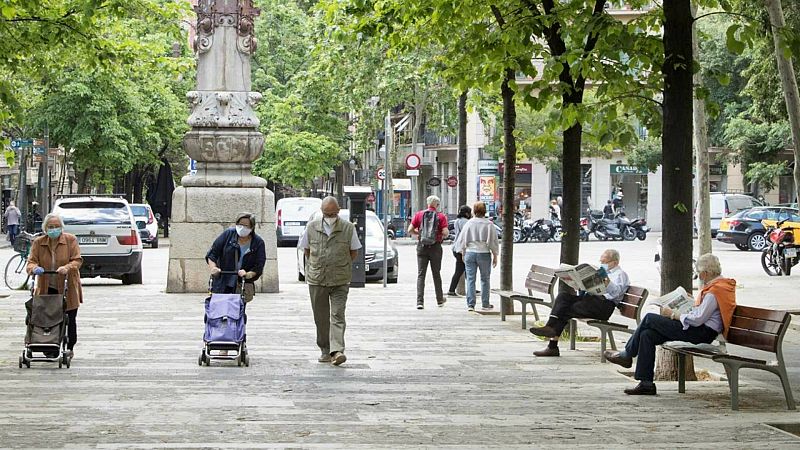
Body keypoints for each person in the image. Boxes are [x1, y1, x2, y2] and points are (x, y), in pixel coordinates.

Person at [605, 254, 736, 395]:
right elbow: (703, 313)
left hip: (700, 332)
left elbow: (698, 319)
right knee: (647, 335)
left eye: (699, 273)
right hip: (698, 329)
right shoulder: (719, 286)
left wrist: (672, 314)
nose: (699, 276)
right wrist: (691, 302)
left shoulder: (714, 292)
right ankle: (646, 384)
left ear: (705, 273)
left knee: (649, 318)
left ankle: (627, 354)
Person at [529, 249, 630, 357]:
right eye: (601, 262)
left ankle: (552, 343)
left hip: (603, 306)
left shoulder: (620, 274)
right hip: (591, 301)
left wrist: (606, 280)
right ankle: (550, 331)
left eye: (605, 262)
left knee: (564, 310)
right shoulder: (603, 271)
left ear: (615, 262)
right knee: (563, 297)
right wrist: (578, 285)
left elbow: (616, 293)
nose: (602, 264)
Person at [298, 196, 361, 366]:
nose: (330, 216)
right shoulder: (311, 227)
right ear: (322, 212)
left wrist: (340, 265)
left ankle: (337, 351)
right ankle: (325, 350)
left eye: (333, 214)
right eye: (327, 214)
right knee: (321, 318)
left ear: (338, 211)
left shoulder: (348, 228)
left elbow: (354, 252)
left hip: (340, 280)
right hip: (317, 279)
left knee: (337, 315)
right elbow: (307, 250)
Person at [26, 213, 83, 358]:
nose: (54, 229)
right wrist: (34, 268)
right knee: (47, 318)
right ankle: (49, 345)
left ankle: (70, 346)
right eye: (51, 227)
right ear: (45, 228)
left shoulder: (70, 240)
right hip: (47, 286)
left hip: (67, 285)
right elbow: (31, 262)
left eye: (57, 226)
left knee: (70, 317)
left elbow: (77, 260)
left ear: (61, 227)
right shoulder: (39, 243)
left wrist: (67, 267)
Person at [206, 212, 267, 296]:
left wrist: (248, 274)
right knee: (221, 303)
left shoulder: (257, 242)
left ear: (252, 227)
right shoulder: (228, 234)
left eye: (246, 226)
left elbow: (259, 266)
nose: (242, 228)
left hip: (242, 284)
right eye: (240, 224)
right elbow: (212, 254)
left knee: (239, 303)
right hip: (223, 281)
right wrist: (213, 268)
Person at [453, 201, 499, 311]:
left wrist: (463, 252)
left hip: (470, 253)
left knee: (470, 279)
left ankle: (471, 304)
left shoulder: (469, 223)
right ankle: (485, 304)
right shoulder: (489, 224)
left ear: (474, 211)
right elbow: (493, 241)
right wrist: (495, 254)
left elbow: (463, 239)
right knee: (485, 279)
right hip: (484, 253)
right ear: (484, 211)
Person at [408, 195, 449, 309]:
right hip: (435, 247)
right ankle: (439, 300)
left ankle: (420, 302)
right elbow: (445, 232)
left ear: (427, 203)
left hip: (422, 246)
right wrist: (438, 234)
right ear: (437, 205)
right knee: (436, 274)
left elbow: (410, 230)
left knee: (421, 274)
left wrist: (420, 234)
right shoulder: (441, 216)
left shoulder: (419, 214)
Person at [447, 205, 472, 297]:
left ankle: (471, 287)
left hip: (455, 246)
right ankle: (451, 289)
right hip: (461, 248)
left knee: (466, 269)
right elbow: (467, 235)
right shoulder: (466, 222)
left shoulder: (457, 221)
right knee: (460, 270)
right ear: (467, 213)